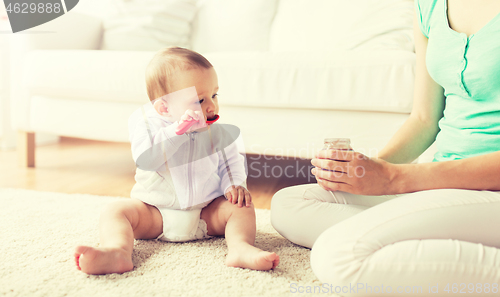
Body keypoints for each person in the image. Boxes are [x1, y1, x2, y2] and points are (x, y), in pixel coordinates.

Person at [271, 0, 500, 294]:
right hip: (442, 186)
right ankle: (431, 236)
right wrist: (370, 172)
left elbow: (398, 176)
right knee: (289, 205)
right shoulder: (429, 6)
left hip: (489, 190)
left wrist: (394, 178)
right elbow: (424, 119)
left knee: (339, 256)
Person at [74, 47, 279, 275]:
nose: (211, 106)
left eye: (214, 95)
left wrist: (234, 184)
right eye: (199, 100)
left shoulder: (217, 133)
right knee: (115, 211)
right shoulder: (148, 128)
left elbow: (230, 162)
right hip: (155, 213)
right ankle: (117, 251)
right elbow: (147, 160)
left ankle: (240, 248)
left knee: (242, 207)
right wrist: (176, 133)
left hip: (206, 213)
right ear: (164, 107)